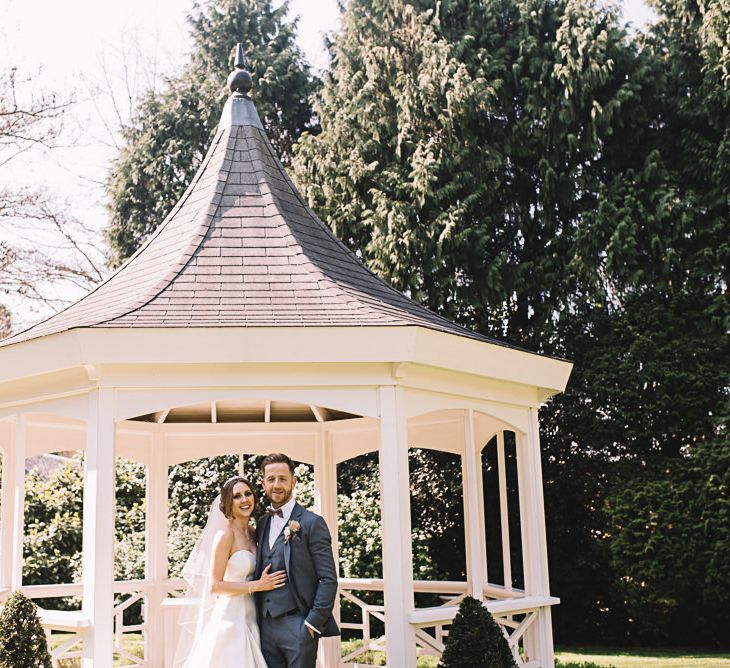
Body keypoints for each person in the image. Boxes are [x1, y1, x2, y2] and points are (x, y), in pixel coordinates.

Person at [174, 476, 288, 668]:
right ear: (228, 502)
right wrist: (257, 585)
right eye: (237, 496)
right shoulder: (225, 535)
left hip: (253, 616)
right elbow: (215, 585)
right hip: (231, 617)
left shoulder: (254, 532)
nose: (244, 500)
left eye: (248, 494)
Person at [255, 453, 340, 668]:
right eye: (271, 479)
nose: (277, 484)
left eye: (282, 478)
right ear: (263, 483)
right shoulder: (262, 522)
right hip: (264, 628)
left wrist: (312, 623)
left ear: (293, 481)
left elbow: (328, 579)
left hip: (299, 626)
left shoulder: (312, 523)